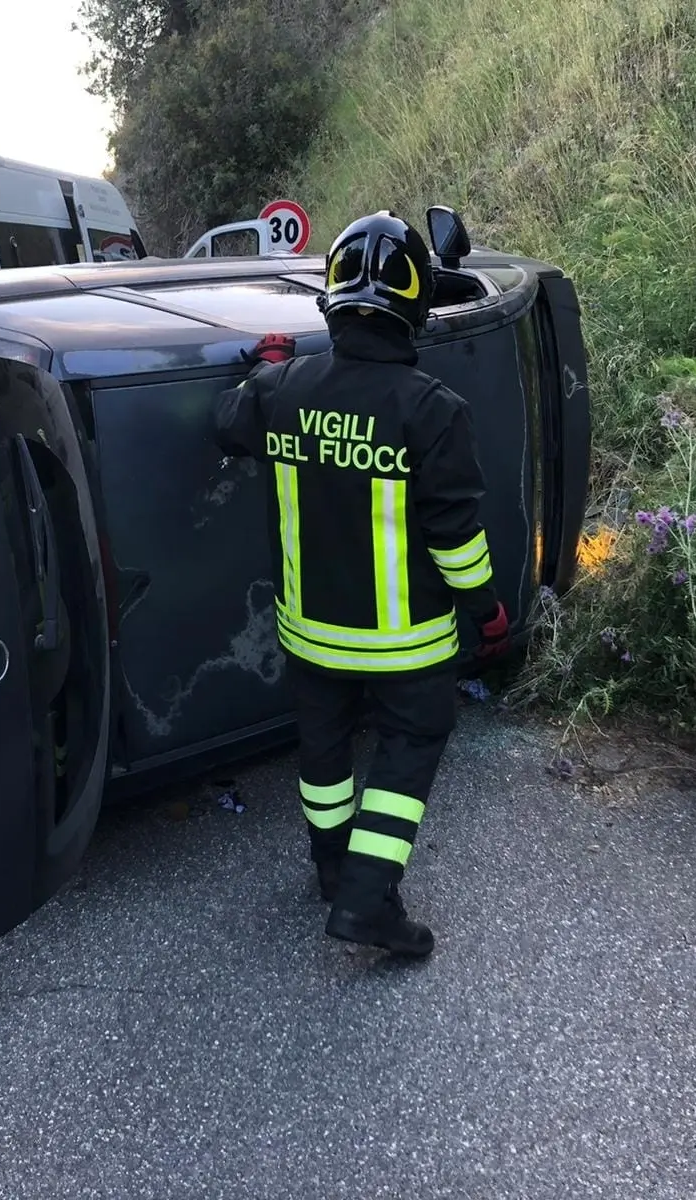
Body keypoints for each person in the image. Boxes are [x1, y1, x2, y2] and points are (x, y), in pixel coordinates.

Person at [212, 210, 510, 959]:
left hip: (310, 635)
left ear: (332, 301)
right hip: (404, 646)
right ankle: (368, 899)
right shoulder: (435, 411)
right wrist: (489, 613)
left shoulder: (281, 389)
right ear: (413, 307)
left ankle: (330, 868)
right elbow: (456, 542)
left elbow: (229, 423)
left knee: (324, 750)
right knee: (411, 743)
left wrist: (265, 367)